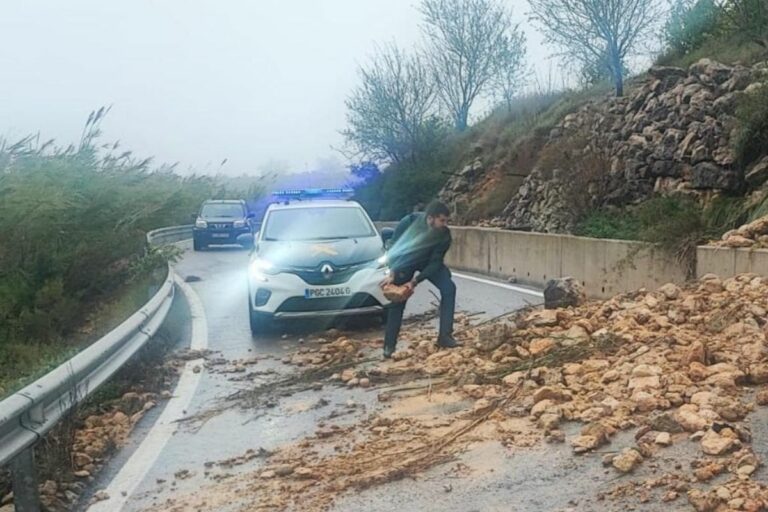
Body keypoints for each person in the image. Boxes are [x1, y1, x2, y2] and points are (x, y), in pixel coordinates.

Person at [381, 200, 459, 359]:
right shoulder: (409, 222)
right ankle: (389, 345)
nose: (445, 224)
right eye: (441, 220)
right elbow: (394, 247)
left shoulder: (444, 235)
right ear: (430, 218)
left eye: (446, 221)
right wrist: (392, 272)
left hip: (428, 261)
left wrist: (415, 281)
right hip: (406, 261)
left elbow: (436, 262)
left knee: (449, 288)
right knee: (398, 300)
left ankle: (445, 336)